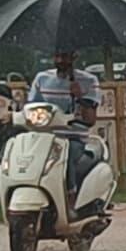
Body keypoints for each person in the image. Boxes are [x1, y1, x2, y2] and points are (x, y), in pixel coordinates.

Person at [24, 48, 104, 188]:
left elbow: (90, 120)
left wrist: (80, 97)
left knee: (66, 155)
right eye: (57, 56)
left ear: (74, 57)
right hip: (45, 137)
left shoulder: (89, 80)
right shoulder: (42, 79)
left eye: (65, 56)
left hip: (74, 138)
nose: (60, 61)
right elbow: (31, 108)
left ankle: (70, 195)